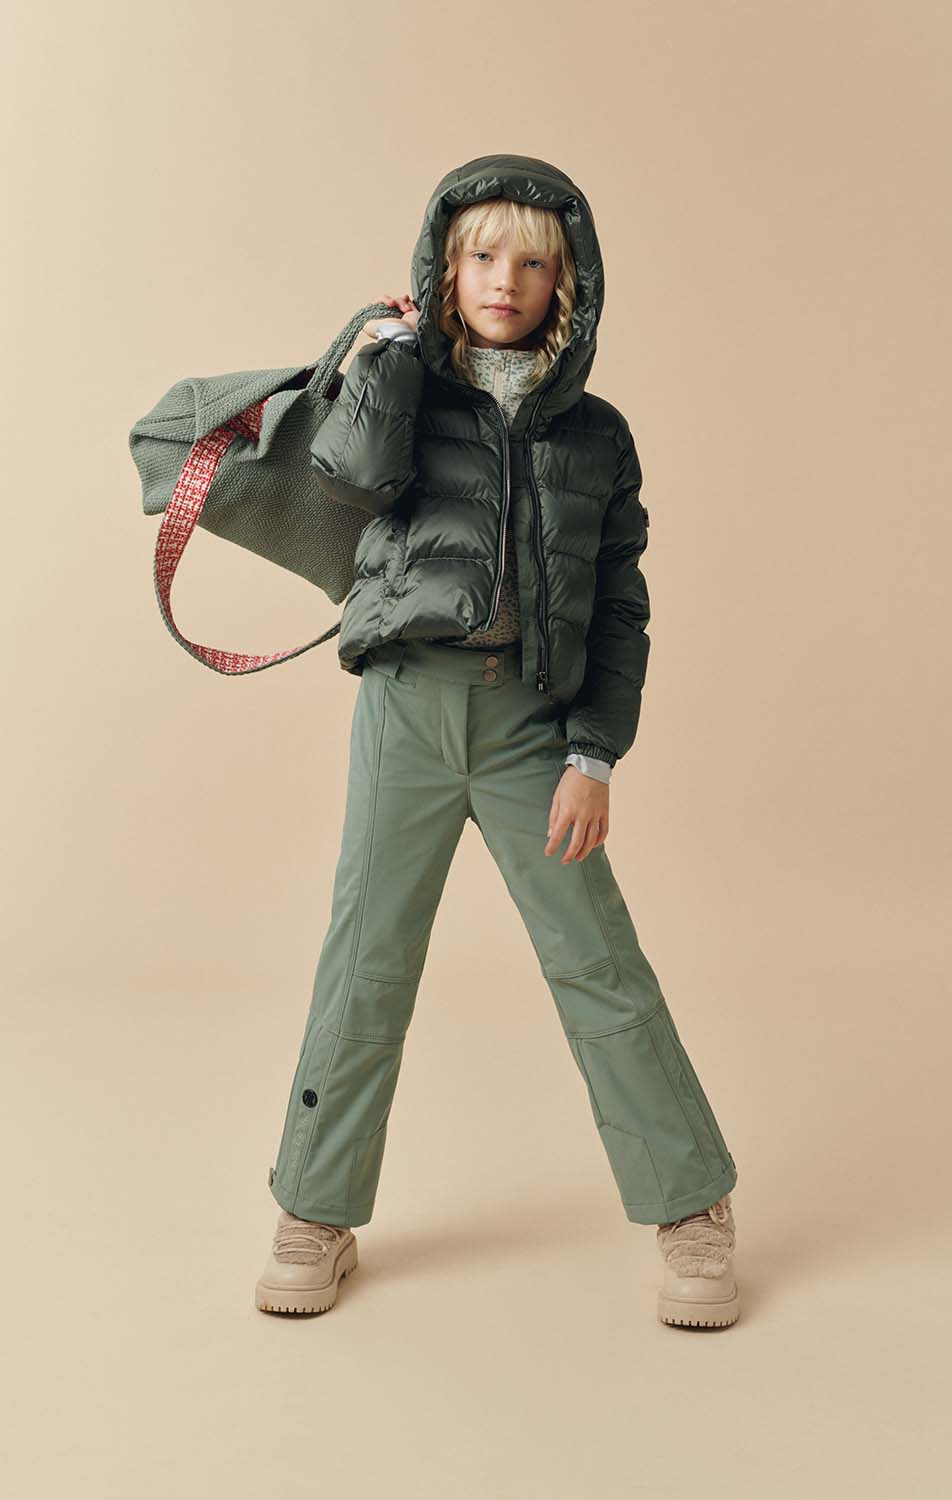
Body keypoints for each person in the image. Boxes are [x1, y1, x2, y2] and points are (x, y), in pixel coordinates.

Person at [254, 154, 740, 1328]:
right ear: (443, 266)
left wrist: (593, 754)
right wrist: (383, 356)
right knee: (366, 961)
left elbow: (617, 605)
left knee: (597, 961)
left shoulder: (597, 435)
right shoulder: (400, 390)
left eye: (531, 261)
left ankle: (691, 1206)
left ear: (567, 282)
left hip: (531, 725)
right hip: (406, 714)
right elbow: (350, 478)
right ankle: (314, 1209)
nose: (502, 280)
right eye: (479, 255)